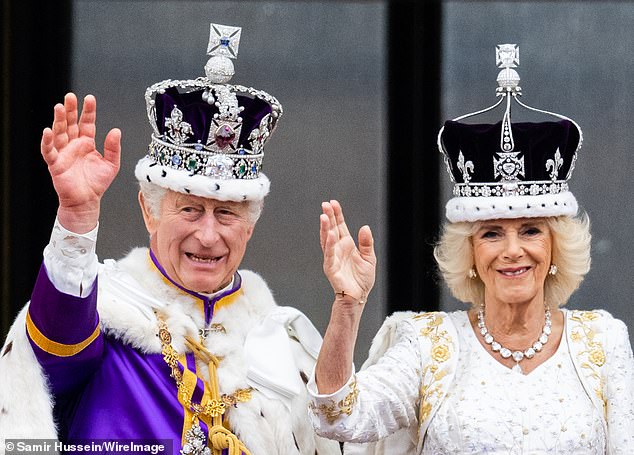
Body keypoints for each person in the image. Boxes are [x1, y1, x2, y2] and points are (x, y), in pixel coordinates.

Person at [0, 23, 341, 455]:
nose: (208, 234)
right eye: (189, 209)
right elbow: (56, 341)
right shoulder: (105, 313)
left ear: (250, 226)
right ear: (149, 211)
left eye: (226, 214)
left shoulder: (281, 343)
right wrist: (77, 218)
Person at [308, 45, 634, 454]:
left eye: (531, 231)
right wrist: (347, 304)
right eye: (492, 233)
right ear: (471, 254)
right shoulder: (427, 344)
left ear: (556, 248)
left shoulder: (602, 342)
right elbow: (337, 417)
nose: (512, 250)